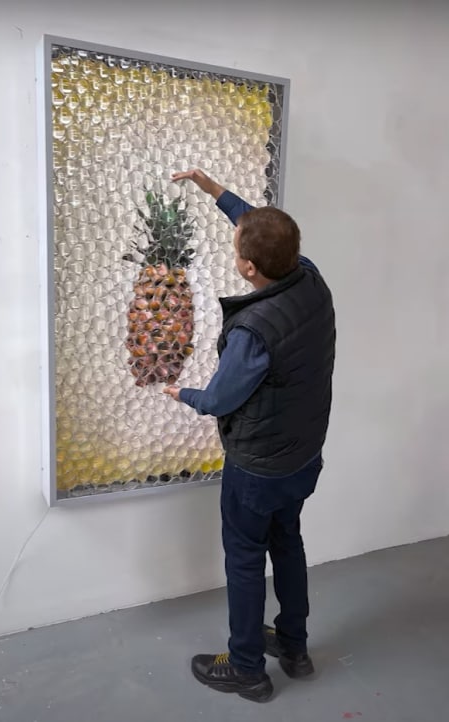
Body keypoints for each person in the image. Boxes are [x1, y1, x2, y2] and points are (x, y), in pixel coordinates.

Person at [163, 168, 337, 703]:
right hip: (303, 454)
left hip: (258, 467)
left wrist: (182, 393)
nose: (236, 241)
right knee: (288, 542)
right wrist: (214, 190)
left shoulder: (253, 330)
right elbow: (257, 228)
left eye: (240, 246)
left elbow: (219, 399)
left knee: (243, 560)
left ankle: (246, 669)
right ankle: (294, 648)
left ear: (248, 267)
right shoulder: (309, 279)